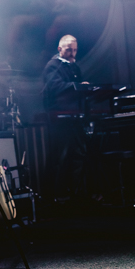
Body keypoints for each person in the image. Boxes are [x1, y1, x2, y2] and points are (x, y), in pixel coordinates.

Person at [42, 35, 90, 202]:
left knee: (78, 155)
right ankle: (55, 197)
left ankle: (76, 194)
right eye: (69, 50)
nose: (73, 53)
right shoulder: (52, 66)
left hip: (74, 117)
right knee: (60, 157)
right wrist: (78, 87)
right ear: (59, 49)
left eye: (75, 50)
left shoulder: (74, 67)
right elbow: (56, 87)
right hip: (59, 119)